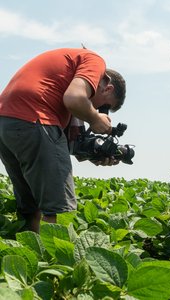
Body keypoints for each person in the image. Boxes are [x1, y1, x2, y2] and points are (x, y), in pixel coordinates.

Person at [0, 47, 126, 233]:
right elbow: (74, 99)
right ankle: (57, 260)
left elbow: (65, 144)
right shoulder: (94, 61)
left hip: (6, 124)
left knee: (30, 207)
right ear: (107, 87)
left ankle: (28, 257)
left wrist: (95, 154)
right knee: (59, 210)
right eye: (105, 107)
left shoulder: (65, 77)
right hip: (35, 117)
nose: (99, 110)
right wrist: (95, 119)